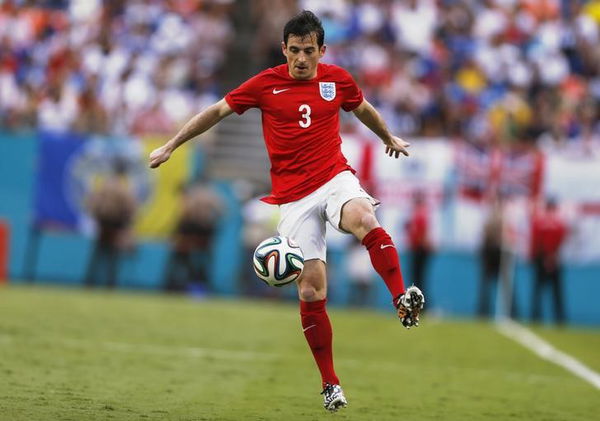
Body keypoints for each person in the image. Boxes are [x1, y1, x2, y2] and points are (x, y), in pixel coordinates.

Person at [148, 11, 424, 412]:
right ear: (283, 49)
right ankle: (330, 384)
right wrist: (172, 145)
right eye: (293, 50)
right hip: (293, 198)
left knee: (364, 217)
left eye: (308, 51)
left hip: (334, 178)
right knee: (312, 289)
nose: (300, 59)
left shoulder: (337, 80)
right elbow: (216, 111)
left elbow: (362, 108)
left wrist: (388, 136)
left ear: (321, 51)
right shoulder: (264, 84)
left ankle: (401, 298)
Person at [84, 159, 137, 288]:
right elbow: (130, 209)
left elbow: (92, 203)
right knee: (114, 255)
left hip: (102, 224)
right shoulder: (123, 188)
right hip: (116, 226)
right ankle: (111, 283)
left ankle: (90, 281)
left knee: (98, 254)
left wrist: (97, 218)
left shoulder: (103, 185)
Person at [163, 181, 223, 293]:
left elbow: (186, 215)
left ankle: (175, 286)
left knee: (183, 260)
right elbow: (222, 212)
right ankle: (198, 286)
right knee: (201, 261)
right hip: (205, 231)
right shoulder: (212, 195)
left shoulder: (191, 196)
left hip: (191, 231)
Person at [530, 198, 568, 324]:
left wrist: (538, 256)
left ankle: (536, 317)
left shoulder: (539, 222)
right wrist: (552, 256)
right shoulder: (559, 223)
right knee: (555, 292)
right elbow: (561, 241)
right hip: (554, 259)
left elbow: (535, 242)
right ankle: (559, 318)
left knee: (539, 290)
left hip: (542, 258)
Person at [405, 191, 433, 306]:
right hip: (418, 248)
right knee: (418, 279)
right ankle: (418, 303)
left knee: (417, 279)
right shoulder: (420, 214)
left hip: (419, 249)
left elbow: (422, 234)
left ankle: (418, 304)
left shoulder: (419, 214)